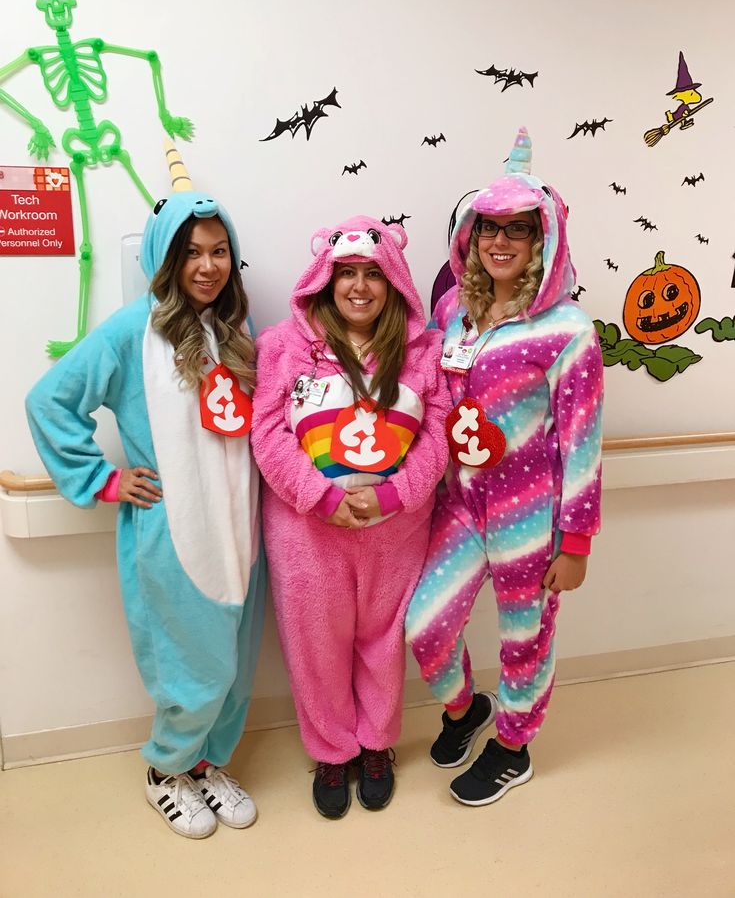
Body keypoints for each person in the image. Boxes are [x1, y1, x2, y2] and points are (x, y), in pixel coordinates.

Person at [25, 148, 266, 839]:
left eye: (220, 251)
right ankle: (166, 768)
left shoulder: (234, 331)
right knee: (191, 663)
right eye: (191, 252)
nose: (207, 265)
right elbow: (50, 401)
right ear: (165, 257)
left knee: (234, 662)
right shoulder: (135, 329)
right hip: (171, 528)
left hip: (236, 524)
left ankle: (206, 762)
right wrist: (103, 478)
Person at [406, 127, 603, 806]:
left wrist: (574, 542)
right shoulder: (450, 315)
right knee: (425, 626)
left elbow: (582, 440)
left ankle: (513, 744)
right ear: (470, 236)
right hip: (459, 504)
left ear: (539, 242)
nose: (499, 242)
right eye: (489, 228)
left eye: (516, 232)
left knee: (525, 638)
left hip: (530, 514)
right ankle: (464, 709)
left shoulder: (568, 330)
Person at [251, 215, 450, 819]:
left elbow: (437, 434)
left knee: (383, 641)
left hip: (397, 532)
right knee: (315, 644)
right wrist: (323, 497)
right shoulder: (282, 347)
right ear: (325, 279)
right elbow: (266, 434)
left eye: (374, 274)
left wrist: (395, 496)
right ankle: (332, 749)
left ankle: (377, 746)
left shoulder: (425, 353)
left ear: (395, 283)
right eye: (347, 274)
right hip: (307, 532)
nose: (360, 287)